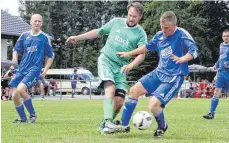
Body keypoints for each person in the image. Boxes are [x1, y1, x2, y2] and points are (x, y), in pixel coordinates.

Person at [112, 11, 198, 137]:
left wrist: (182, 59)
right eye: (162, 27)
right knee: (134, 90)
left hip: (173, 77)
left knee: (153, 105)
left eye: (166, 28)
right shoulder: (160, 35)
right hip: (158, 73)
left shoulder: (182, 35)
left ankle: (162, 126)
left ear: (174, 25)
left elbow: (194, 51)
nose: (163, 30)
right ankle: (124, 125)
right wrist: (129, 53)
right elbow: (147, 47)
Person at [66, 2, 147, 134]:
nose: (131, 18)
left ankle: (104, 125)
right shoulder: (116, 22)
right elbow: (98, 32)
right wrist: (78, 37)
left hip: (121, 68)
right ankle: (109, 122)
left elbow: (141, 53)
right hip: (106, 60)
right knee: (110, 88)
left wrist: (131, 65)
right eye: (129, 15)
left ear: (140, 17)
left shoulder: (140, 33)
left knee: (120, 100)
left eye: (134, 16)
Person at [9, 14, 54, 123]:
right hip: (22, 68)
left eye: (39, 21)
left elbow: (51, 56)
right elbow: (16, 49)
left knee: (20, 89)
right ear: (31, 22)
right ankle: (23, 118)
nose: (37, 23)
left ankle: (33, 114)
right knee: (14, 95)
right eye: (35, 21)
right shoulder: (24, 36)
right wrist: (15, 58)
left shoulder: (44, 38)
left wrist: (45, 70)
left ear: (41, 23)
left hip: (34, 69)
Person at [203, 28, 229, 119]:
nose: (226, 37)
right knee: (217, 91)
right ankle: (211, 113)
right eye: (224, 36)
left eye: (227, 36)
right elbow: (220, 57)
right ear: (222, 37)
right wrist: (216, 64)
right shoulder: (221, 45)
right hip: (221, 73)